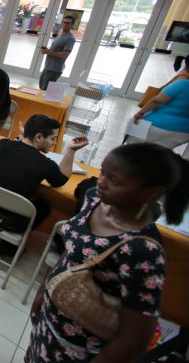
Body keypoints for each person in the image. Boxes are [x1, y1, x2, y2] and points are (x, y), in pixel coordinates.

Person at [26, 142, 189, 363]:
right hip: (49, 324)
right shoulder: (94, 198)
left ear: (152, 192)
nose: (101, 182)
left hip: (83, 348)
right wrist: (43, 291)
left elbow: (134, 339)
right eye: (102, 173)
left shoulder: (143, 251)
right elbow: (72, 253)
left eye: (114, 180)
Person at [0, 114, 88, 249]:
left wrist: (25, 135)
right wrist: (71, 150)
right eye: (53, 139)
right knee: (44, 207)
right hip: (13, 223)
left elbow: (18, 152)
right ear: (39, 137)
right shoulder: (46, 164)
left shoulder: (1, 144)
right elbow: (61, 180)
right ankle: (9, 247)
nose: (54, 143)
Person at [130, 78, 189, 158]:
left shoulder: (183, 84)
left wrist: (140, 113)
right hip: (183, 133)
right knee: (157, 155)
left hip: (156, 125)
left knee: (131, 149)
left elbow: (157, 100)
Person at [39, 15, 76, 90]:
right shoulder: (60, 34)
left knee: (45, 91)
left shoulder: (70, 39)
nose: (65, 24)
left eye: (68, 23)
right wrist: (47, 50)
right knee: (42, 88)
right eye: (64, 22)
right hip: (48, 66)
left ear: (72, 25)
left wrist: (49, 52)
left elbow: (64, 55)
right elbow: (56, 51)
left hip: (54, 69)